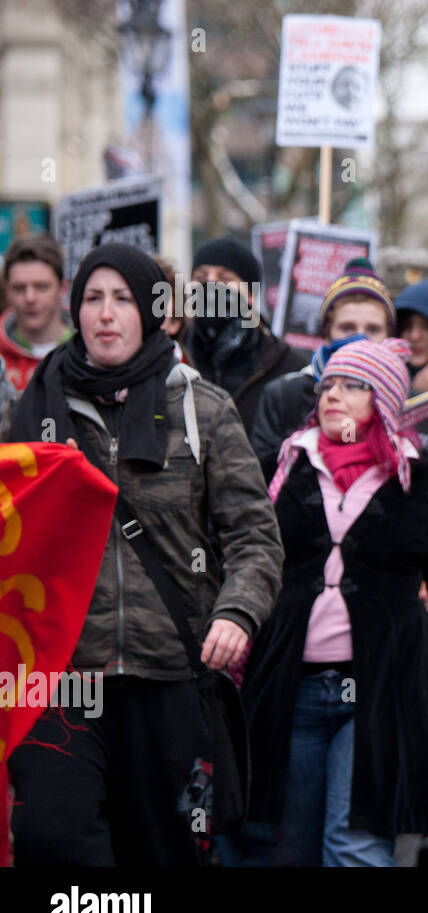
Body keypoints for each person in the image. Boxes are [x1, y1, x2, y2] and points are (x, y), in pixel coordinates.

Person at [5, 242, 284, 866]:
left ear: (152, 313)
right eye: (93, 300)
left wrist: (237, 613)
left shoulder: (204, 409)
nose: (106, 314)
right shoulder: (35, 409)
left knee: (164, 854)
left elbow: (254, 536)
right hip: (63, 677)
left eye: (123, 300)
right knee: (55, 840)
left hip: (171, 678)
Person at [238, 337, 428, 866]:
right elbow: (242, 557)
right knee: (295, 848)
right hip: (291, 687)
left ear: (383, 400)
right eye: (329, 384)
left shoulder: (423, 485)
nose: (334, 394)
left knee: (354, 846)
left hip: (382, 690)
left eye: (353, 386)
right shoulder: (280, 468)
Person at [250, 258, 395, 474]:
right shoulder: (286, 396)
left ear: (389, 337)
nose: (359, 340)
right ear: (326, 335)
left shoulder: (403, 400)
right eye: (347, 328)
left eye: (372, 330)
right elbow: (263, 480)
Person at [183, 237, 309, 433]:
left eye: (225, 279)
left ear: (250, 295)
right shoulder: (173, 357)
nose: (210, 284)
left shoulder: (288, 368)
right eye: (200, 278)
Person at [0, 233, 74, 391]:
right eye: (19, 288)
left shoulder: (89, 351)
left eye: (41, 287)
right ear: (6, 291)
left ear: (63, 289)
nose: (30, 298)